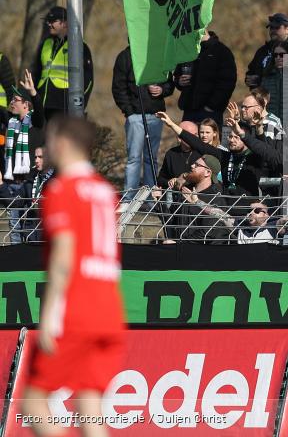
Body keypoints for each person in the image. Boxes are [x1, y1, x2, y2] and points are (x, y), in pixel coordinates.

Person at [22, 116, 124, 436]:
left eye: (50, 140)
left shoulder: (62, 190)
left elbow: (63, 257)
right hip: (109, 310)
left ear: (63, 144)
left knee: (33, 403)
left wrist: (50, 314)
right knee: (90, 408)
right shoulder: (105, 192)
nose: (46, 147)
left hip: (76, 309)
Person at [111, 46, 174, 202]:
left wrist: (162, 90)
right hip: (135, 117)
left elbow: (170, 83)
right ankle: (129, 198)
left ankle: (150, 198)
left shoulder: (159, 55)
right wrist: (130, 112)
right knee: (134, 158)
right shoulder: (125, 56)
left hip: (156, 114)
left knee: (151, 158)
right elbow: (118, 87)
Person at [2, 72, 45, 244]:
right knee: (14, 226)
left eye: (15, 100)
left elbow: (40, 111)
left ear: (26, 104)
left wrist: (33, 92)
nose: (11, 102)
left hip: (30, 183)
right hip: (13, 183)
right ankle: (15, 260)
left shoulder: (35, 122)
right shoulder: (11, 122)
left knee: (31, 225)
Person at [31, 6, 94, 118]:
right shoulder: (45, 44)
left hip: (63, 107)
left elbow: (88, 80)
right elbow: (36, 73)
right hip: (41, 105)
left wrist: (79, 106)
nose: (49, 24)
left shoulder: (79, 47)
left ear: (65, 23)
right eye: (48, 21)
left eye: (53, 21)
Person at [173, 29, 237, 126]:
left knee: (209, 141)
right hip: (189, 110)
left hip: (210, 112)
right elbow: (177, 75)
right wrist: (179, 81)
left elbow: (228, 82)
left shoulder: (222, 51)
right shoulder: (188, 51)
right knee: (186, 140)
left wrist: (212, 106)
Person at [245, 13, 288, 88]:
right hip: (261, 96)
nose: (273, 30)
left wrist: (261, 80)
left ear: (287, 29)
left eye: (277, 27)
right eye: (271, 27)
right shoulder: (262, 51)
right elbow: (251, 72)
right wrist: (250, 80)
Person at [21, 146, 54, 243]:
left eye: (40, 157)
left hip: (50, 235)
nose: (36, 160)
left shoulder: (59, 179)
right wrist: (1, 184)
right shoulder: (30, 179)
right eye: (35, 157)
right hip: (31, 235)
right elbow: (14, 202)